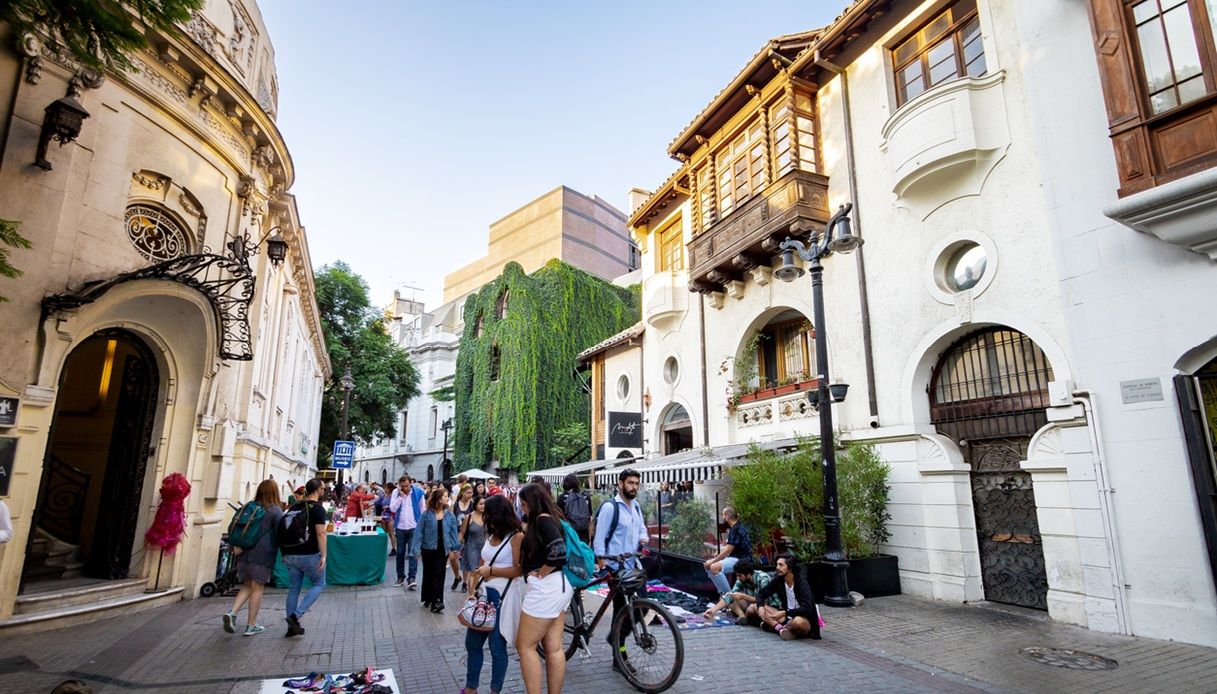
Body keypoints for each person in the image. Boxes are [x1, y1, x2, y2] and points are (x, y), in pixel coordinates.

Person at [462, 495, 523, 694]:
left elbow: (519, 570)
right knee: (472, 643)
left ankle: (494, 691)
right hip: (484, 594)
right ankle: (471, 688)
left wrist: (492, 571)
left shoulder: (516, 536)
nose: (485, 517)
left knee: (497, 647)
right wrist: (474, 590)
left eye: (488, 513)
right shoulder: (490, 534)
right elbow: (483, 561)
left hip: (503, 597)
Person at [592, 468, 648, 673]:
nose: (634, 487)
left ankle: (614, 637)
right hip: (615, 567)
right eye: (631, 483)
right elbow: (599, 538)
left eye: (636, 483)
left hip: (633, 565)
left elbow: (642, 529)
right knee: (620, 610)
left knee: (643, 606)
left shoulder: (637, 507)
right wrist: (602, 562)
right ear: (620, 483)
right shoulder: (610, 508)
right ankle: (619, 655)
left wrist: (643, 540)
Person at [222, 480, 284, 636]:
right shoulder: (275, 510)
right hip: (262, 555)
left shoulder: (250, 507)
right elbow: (281, 532)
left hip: (243, 552)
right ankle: (251, 625)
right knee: (258, 588)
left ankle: (232, 612)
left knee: (247, 585)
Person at [282, 478, 328, 637]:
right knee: (319, 583)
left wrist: (284, 553)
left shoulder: (295, 506)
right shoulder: (317, 509)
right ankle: (296, 616)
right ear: (318, 490)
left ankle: (290, 628)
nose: (324, 490)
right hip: (309, 553)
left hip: (290, 553)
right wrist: (324, 555)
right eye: (323, 488)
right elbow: (321, 533)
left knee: (294, 588)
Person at [410, 487, 460, 612]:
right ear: (438, 499)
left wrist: (455, 548)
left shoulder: (449, 515)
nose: (447, 498)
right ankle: (427, 597)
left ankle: (437, 602)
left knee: (439, 574)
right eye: (445, 496)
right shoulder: (426, 514)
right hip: (428, 548)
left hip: (442, 549)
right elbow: (418, 532)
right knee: (429, 573)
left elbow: (453, 532)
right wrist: (415, 550)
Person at [751, 555, 821, 640]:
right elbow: (761, 594)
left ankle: (774, 626)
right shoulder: (779, 580)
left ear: (790, 568)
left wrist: (785, 613)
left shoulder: (801, 582)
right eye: (777, 564)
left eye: (781, 565)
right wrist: (761, 606)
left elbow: (806, 607)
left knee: (797, 622)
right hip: (785, 618)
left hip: (803, 619)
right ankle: (779, 628)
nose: (777, 567)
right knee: (756, 607)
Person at [701, 559, 781, 625]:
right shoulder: (741, 580)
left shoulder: (763, 579)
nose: (738, 578)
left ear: (748, 574)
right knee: (729, 596)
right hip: (752, 604)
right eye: (737, 575)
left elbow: (762, 601)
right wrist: (713, 610)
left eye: (740, 576)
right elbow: (729, 596)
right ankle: (743, 617)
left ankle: (750, 618)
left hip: (768, 606)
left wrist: (743, 596)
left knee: (751, 608)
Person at [704, 507, 752, 596]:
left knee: (713, 567)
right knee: (708, 565)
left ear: (727, 516)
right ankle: (722, 594)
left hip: (742, 560)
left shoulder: (735, 529)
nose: (722, 517)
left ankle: (729, 598)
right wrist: (718, 554)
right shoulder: (736, 527)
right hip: (736, 557)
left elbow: (728, 551)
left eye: (723, 514)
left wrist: (713, 560)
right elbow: (729, 546)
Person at [390, 475, 425, 589]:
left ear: (411, 483)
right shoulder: (396, 492)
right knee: (400, 553)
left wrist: (422, 526)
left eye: (407, 486)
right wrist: (400, 497)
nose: (405, 488)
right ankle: (400, 576)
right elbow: (392, 509)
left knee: (412, 553)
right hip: (400, 527)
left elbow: (422, 509)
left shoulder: (418, 492)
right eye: (403, 486)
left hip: (414, 527)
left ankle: (412, 578)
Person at [458, 495, 487, 593]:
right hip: (471, 547)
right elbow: (461, 533)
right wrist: (456, 547)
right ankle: (471, 593)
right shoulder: (468, 517)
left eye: (485, 504)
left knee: (480, 571)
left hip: (485, 548)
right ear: (475, 505)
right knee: (473, 571)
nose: (483, 506)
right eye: (481, 504)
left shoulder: (488, 517)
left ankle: (475, 590)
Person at [556, 473, 592, 543]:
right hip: (584, 535)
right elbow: (590, 518)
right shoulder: (586, 498)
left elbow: (558, 518)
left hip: (568, 535)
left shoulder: (562, 497)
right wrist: (589, 538)